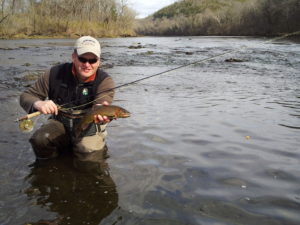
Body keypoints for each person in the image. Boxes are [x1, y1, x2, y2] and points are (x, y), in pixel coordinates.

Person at [20, 36, 115, 160]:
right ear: (74, 57)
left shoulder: (105, 81)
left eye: (92, 60)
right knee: (40, 140)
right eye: (82, 59)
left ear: (99, 61)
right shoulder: (54, 74)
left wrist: (102, 113)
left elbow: (103, 103)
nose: (87, 65)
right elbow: (26, 96)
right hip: (59, 123)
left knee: (88, 153)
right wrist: (38, 103)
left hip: (88, 124)